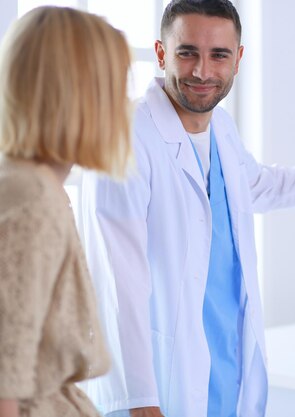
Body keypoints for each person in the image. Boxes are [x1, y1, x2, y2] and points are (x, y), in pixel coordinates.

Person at [80, 1, 295, 416]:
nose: (203, 72)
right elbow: (118, 285)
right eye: (187, 52)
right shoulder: (124, 139)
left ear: (238, 59)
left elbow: (263, 185)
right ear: (160, 53)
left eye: (219, 55)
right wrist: (140, 400)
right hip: (157, 388)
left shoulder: (221, 128)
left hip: (222, 377)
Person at [0, 6, 133, 417]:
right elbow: (6, 375)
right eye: (113, 88)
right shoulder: (36, 200)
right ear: (79, 94)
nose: (123, 105)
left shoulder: (23, 183)